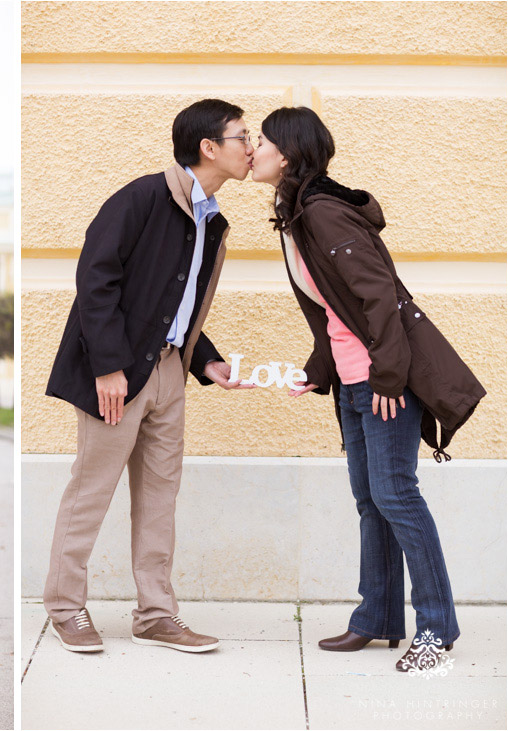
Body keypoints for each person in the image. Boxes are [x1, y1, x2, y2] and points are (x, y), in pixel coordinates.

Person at [250, 106, 485, 671]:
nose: (251, 148)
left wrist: (386, 376)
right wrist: (318, 370)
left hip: (382, 382)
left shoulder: (323, 214)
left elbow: (379, 297)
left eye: (259, 140)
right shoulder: (300, 213)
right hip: (356, 380)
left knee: (396, 496)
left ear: (286, 151)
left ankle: (436, 630)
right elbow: (337, 310)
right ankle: (376, 618)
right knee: (372, 501)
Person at [43, 99, 256, 654]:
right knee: (91, 492)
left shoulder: (212, 218)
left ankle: (157, 614)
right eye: (243, 135)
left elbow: (171, 300)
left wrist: (205, 360)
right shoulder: (141, 197)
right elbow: (96, 280)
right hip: (116, 376)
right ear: (209, 147)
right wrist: (107, 367)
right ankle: (66, 609)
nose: (251, 145)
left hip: (168, 372)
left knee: (160, 497)